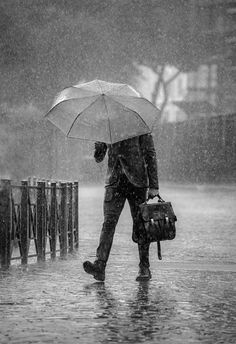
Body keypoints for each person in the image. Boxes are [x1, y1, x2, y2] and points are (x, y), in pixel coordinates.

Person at [83, 133, 159, 281]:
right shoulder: (108, 125)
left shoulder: (139, 125)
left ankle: (144, 267)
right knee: (108, 223)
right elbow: (99, 158)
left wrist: (154, 186)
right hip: (114, 182)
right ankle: (100, 266)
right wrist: (99, 146)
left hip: (137, 183)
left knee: (140, 225)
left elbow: (150, 154)